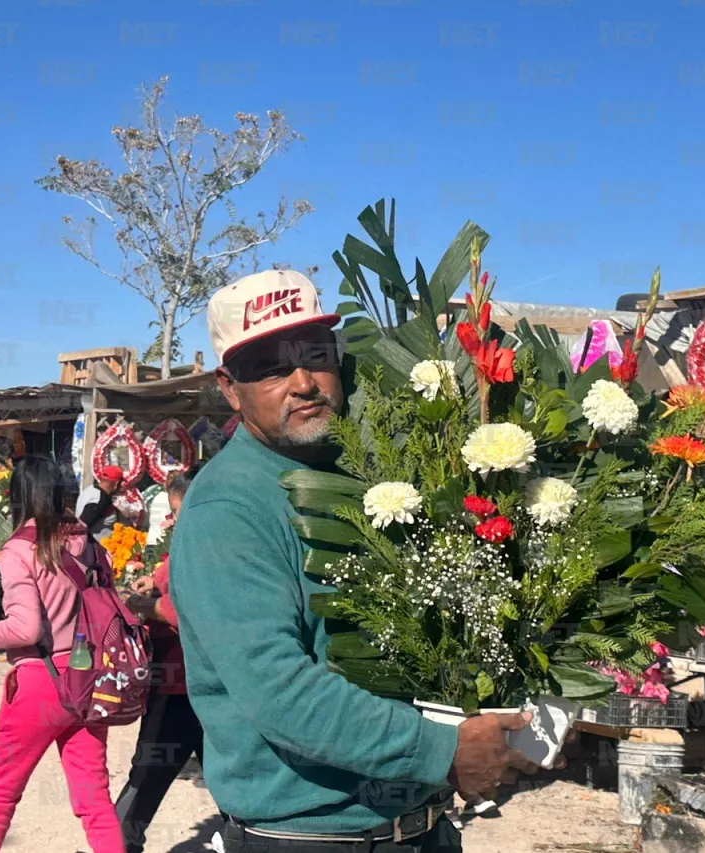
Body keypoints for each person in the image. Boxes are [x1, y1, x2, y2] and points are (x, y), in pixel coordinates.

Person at [171, 270, 538, 853]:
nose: (302, 382)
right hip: (312, 839)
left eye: (315, 356)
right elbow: (281, 693)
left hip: (419, 827)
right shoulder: (230, 506)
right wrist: (443, 750)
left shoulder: (366, 468)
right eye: (269, 367)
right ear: (230, 387)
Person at [0, 455, 123, 853]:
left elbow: (25, 629)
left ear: (17, 495)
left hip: (43, 680)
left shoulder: (21, 549)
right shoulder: (90, 545)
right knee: (94, 798)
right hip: (92, 677)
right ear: (61, 492)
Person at [115, 463, 204, 853]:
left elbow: (188, 610)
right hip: (189, 678)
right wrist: (156, 579)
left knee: (147, 775)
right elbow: (174, 572)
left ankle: (117, 844)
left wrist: (147, 605)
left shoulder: (209, 540)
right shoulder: (197, 536)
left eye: (181, 511)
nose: (177, 520)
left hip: (180, 681)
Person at [76, 465, 123, 541]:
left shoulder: (90, 489)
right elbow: (83, 524)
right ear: (117, 484)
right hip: (94, 546)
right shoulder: (100, 500)